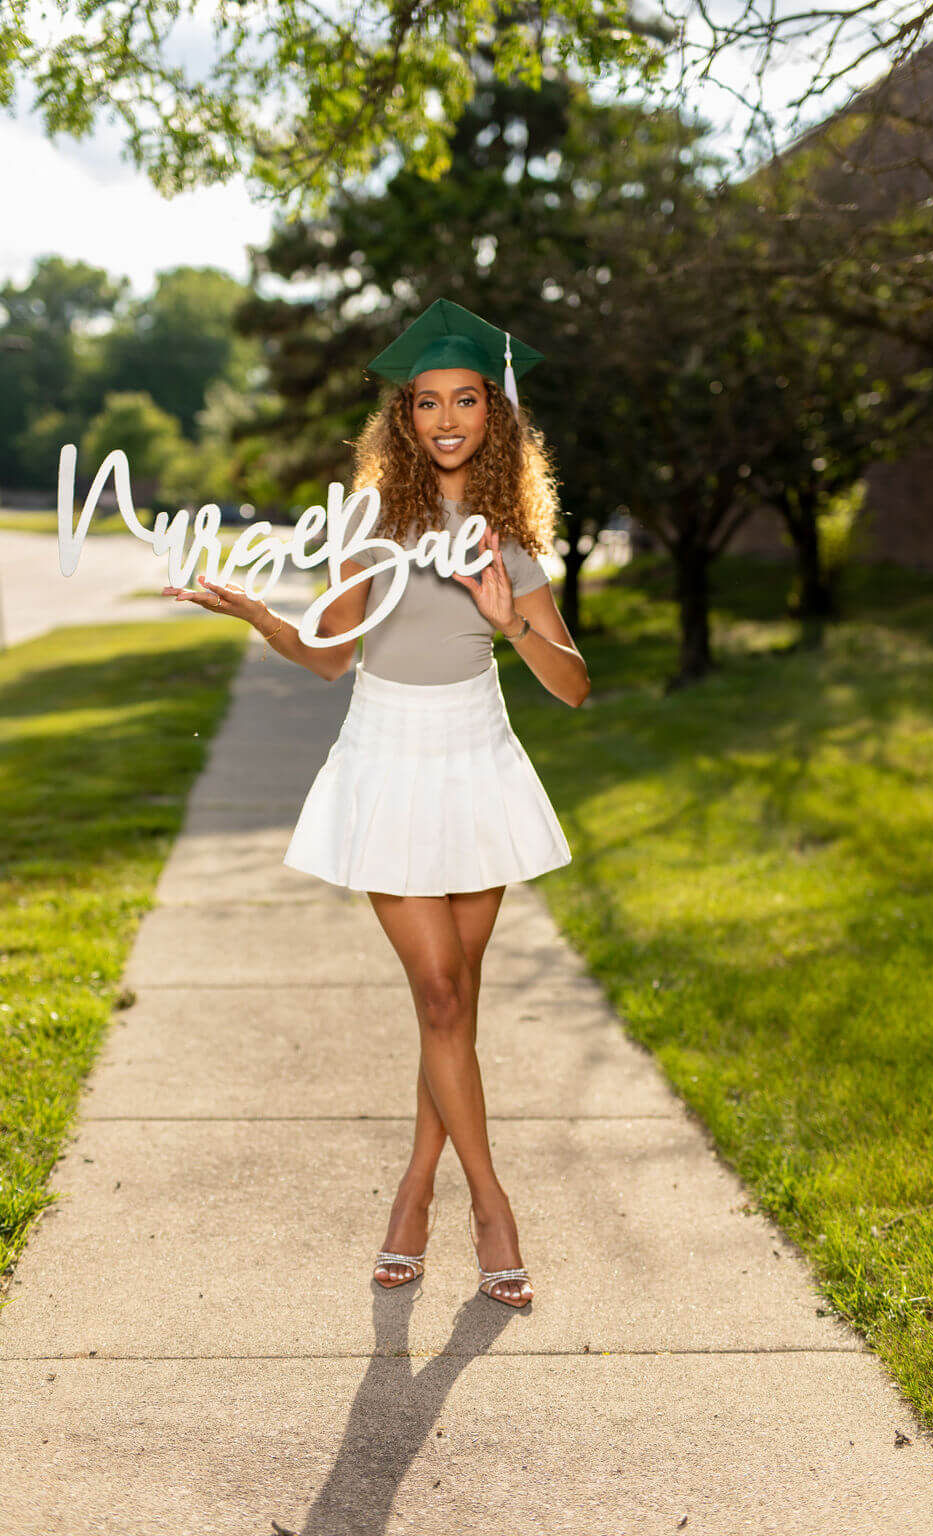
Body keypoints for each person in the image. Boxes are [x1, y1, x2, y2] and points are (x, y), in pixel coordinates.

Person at [164, 299, 591, 1308]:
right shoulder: (371, 532)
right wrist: (256, 608)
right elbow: (326, 658)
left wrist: (508, 622)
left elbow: (573, 685)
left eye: (467, 399)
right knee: (439, 997)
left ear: (496, 415)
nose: (447, 417)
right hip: (388, 759)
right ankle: (488, 1204)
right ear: (403, 417)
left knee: (455, 1006)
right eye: (427, 400)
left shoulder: (510, 543)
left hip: (477, 760)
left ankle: (412, 1192)